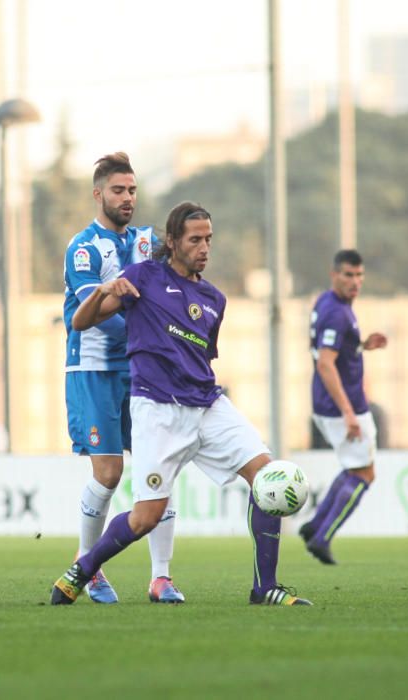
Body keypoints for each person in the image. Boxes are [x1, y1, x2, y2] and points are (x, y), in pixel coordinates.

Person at [51, 201, 311, 607]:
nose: (204, 247)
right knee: (145, 518)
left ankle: (265, 588)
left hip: (207, 405)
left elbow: (201, 357)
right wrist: (104, 288)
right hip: (158, 411)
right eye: (195, 239)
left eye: (209, 238)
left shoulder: (214, 299)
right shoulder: (142, 277)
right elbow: (81, 322)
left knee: (269, 477)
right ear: (171, 242)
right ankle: (81, 571)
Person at [63, 152, 182, 604]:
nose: (128, 197)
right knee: (110, 473)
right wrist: (146, 330)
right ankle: (87, 566)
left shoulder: (147, 242)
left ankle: (161, 576)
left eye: (132, 190)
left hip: (142, 372)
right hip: (93, 370)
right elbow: (92, 314)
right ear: (98, 194)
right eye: (118, 190)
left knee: (158, 471)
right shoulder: (84, 248)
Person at [299, 249, 387, 565]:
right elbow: (325, 363)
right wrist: (349, 413)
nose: (355, 281)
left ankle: (314, 526)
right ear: (334, 274)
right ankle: (322, 537)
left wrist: (361, 345)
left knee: (355, 468)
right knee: (364, 472)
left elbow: (333, 348)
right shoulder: (336, 312)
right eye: (348, 275)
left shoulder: (328, 302)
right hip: (341, 405)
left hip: (331, 403)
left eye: (359, 275)